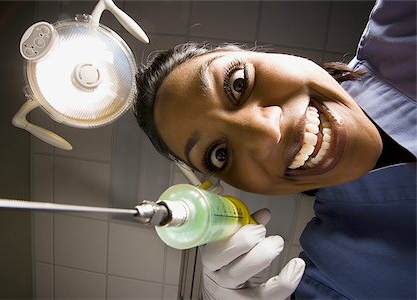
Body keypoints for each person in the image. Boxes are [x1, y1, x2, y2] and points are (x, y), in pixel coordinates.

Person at [133, 0, 416, 299]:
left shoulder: (402, 19)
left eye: (239, 83)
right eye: (220, 154)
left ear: (255, 53)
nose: (268, 132)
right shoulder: (332, 281)